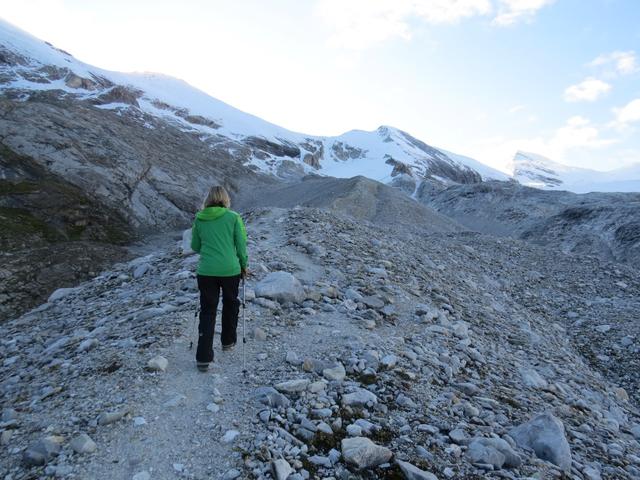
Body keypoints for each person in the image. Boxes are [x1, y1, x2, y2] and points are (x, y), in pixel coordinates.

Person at [190, 186, 248, 372]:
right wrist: (244, 265)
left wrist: (210, 249)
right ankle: (228, 341)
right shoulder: (233, 217)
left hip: (206, 271)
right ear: (225, 198)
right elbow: (241, 244)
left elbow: (195, 246)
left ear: (208, 199)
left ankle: (203, 357)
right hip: (230, 270)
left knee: (208, 310)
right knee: (231, 303)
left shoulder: (199, 218)